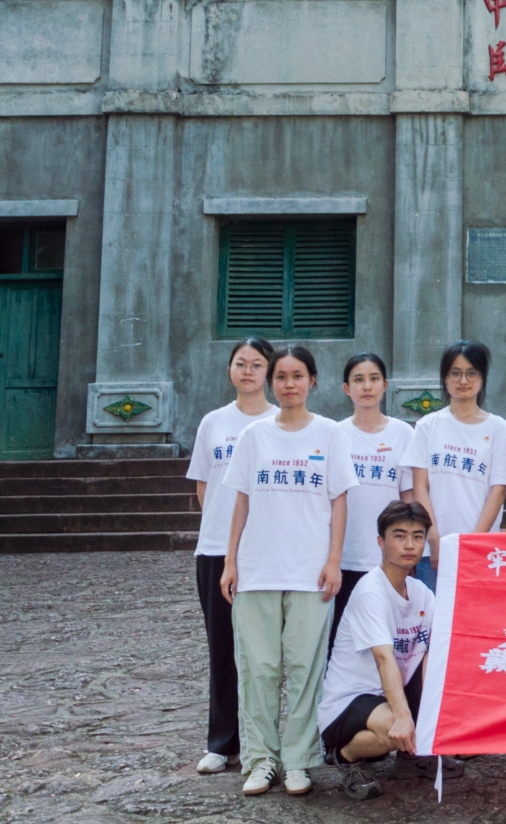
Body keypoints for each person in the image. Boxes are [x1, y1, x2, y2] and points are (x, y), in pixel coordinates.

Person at [221, 346, 355, 796]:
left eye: (298, 376)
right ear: (271, 382)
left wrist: (333, 560)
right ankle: (261, 759)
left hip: (310, 573)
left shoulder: (331, 434)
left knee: (304, 668)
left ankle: (299, 760)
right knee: (258, 668)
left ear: (312, 381)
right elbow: (240, 500)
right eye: (281, 376)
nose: (289, 384)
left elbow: (339, 502)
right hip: (257, 571)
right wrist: (230, 560)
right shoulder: (254, 437)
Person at [184, 336, 278, 775]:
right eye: (240, 364)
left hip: (269, 554)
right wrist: (227, 539)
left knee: (268, 654)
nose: (247, 371)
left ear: (269, 372)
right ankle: (223, 742)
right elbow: (205, 488)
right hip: (217, 551)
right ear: (229, 370)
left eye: (256, 364)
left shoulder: (283, 421)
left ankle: (270, 743)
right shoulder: (213, 423)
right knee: (223, 650)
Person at [317, 500, 436, 800]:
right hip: (349, 702)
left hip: (391, 693)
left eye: (418, 536)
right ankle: (344, 756)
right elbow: (384, 658)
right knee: (398, 732)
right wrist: (405, 717)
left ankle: (413, 756)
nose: (409, 544)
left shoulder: (421, 593)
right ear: (381, 541)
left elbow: (440, 649)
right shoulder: (371, 591)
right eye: (399, 535)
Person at [409, 340, 506, 578]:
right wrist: (433, 537)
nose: (463, 381)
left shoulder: (499, 429)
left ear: (482, 377)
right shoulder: (427, 426)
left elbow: (498, 491)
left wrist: (473, 542)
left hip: (482, 549)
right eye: (455, 373)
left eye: (471, 373)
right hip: (434, 549)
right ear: (445, 378)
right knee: (434, 615)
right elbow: (420, 487)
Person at [334, 353, 415, 640]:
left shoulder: (403, 434)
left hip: (387, 558)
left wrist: (407, 548)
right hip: (343, 556)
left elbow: (408, 499)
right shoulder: (335, 434)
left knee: (390, 639)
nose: (366, 386)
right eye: (358, 380)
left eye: (373, 379)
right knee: (342, 640)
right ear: (346, 388)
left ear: (385, 385)